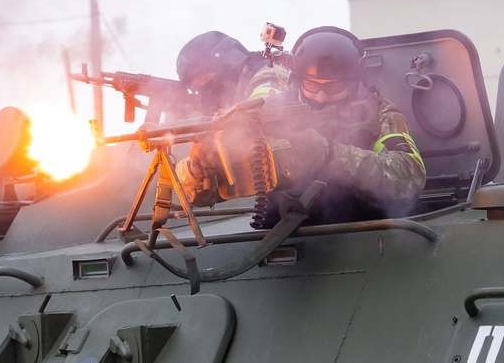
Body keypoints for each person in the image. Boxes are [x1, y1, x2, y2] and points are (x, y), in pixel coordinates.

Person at [176, 26, 426, 227]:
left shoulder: (379, 112)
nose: (320, 96)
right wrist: (200, 169)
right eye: (311, 85)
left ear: (356, 80)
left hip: (362, 235)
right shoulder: (270, 113)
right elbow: (200, 195)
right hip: (287, 245)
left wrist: (332, 154)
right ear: (298, 80)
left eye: (333, 87)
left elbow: (410, 176)